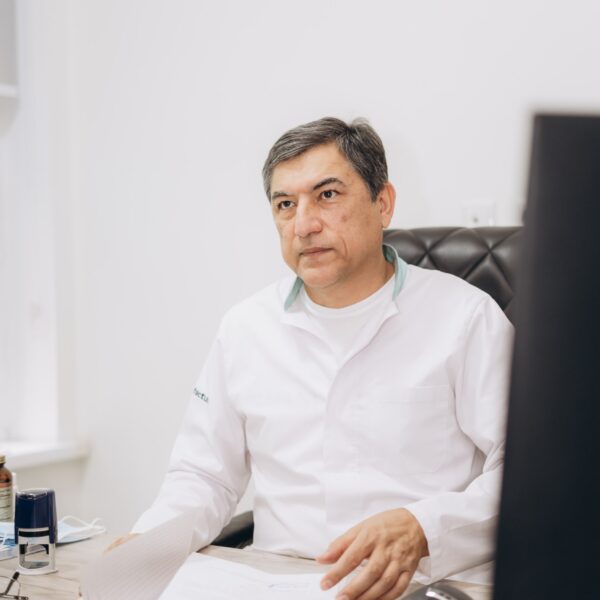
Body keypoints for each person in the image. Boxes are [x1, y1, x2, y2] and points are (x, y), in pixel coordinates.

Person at [115, 117, 513, 600]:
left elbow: (525, 475)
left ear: (383, 203)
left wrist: (423, 527)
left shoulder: (466, 318)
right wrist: (149, 541)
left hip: (419, 585)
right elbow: (204, 475)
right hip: (273, 582)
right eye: (286, 204)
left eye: (327, 195)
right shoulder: (246, 327)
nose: (304, 225)